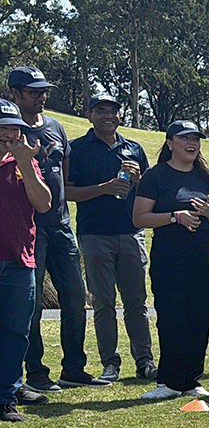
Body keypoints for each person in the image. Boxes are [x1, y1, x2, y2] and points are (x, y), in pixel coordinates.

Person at [10, 67, 108, 391]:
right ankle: (36, 372)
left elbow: (65, 181)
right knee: (32, 303)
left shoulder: (56, 128)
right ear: (16, 94)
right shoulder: (11, 133)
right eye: (34, 91)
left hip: (62, 226)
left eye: (43, 91)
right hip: (30, 229)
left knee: (76, 297)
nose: (41, 97)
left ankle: (74, 368)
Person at [133, 121, 209, 400]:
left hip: (203, 253)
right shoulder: (156, 176)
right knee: (172, 316)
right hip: (169, 255)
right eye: (185, 138)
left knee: (199, 315)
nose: (192, 143)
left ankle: (191, 380)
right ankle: (170, 382)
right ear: (170, 142)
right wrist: (176, 216)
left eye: (195, 138)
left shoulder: (208, 178)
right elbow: (139, 218)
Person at [65, 93, 156, 384]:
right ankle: (110, 363)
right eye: (100, 110)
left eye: (113, 111)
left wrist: (140, 180)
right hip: (94, 235)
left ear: (120, 116)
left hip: (131, 233)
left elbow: (151, 193)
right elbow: (67, 192)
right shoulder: (77, 149)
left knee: (137, 302)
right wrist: (104, 188)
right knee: (104, 303)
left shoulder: (134, 148)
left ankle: (144, 361)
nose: (108, 115)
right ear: (89, 115)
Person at [1, 98, 51, 421]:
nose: (9, 136)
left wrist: (23, 165)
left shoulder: (24, 160)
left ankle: (6, 396)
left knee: (17, 331)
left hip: (19, 259)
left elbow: (44, 203)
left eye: (13, 130)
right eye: (2, 130)